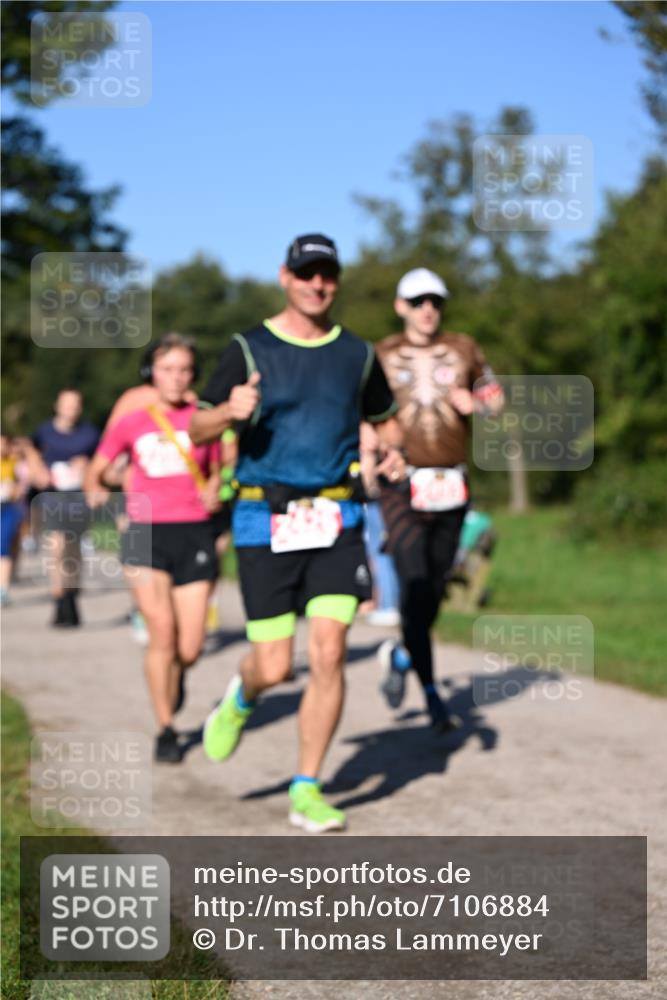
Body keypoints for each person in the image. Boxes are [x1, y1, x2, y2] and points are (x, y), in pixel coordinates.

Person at [190, 233, 405, 833]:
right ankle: (242, 696)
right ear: (285, 276)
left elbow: (386, 425)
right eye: (307, 273)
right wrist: (228, 413)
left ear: (336, 281)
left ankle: (306, 787)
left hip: (338, 515)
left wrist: (391, 456)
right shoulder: (248, 348)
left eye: (327, 274)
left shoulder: (357, 354)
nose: (318, 284)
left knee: (330, 651)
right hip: (265, 518)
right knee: (277, 665)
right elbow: (199, 429)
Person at [375, 268, 503, 730]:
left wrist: (481, 405)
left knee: (433, 591)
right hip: (402, 485)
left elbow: (495, 396)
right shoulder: (381, 355)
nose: (427, 309)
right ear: (401, 306)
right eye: (417, 301)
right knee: (412, 582)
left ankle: (402, 656)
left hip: (452, 483)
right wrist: (374, 454)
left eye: (435, 301)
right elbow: (362, 413)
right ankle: (432, 695)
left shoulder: (464, 347)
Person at [85, 334, 222, 763]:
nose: (176, 378)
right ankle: (166, 726)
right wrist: (104, 485)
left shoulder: (203, 420)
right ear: (151, 374)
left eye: (184, 369)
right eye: (167, 369)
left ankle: (176, 675)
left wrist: (217, 488)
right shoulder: (132, 421)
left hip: (194, 531)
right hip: (145, 532)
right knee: (161, 631)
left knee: (191, 644)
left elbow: (219, 467)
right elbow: (98, 471)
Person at [32, 389, 100, 627]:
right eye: (66, 404)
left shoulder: (90, 433)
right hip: (53, 497)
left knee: (73, 550)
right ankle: (59, 597)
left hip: (79, 498)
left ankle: (72, 594)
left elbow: (102, 461)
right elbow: (29, 451)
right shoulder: (44, 432)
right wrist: (38, 470)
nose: (70, 409)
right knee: (56, 546)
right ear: (57, 406)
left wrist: (88, 467)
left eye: (75, 405)